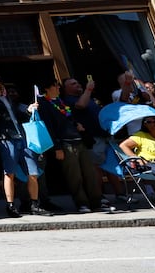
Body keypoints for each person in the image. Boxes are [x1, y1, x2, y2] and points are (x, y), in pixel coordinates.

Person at [35, 77, 104, 213]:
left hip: (78, 140)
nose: (58, 88)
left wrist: (77, 125)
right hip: (65, 143)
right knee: (74, 176)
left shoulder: (61, 101)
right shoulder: (43, 104)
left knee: (90, 173)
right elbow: (49, 127)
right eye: (55, 86)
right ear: (47, 89)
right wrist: (57, 148)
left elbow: (68, 117)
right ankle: (82, 203)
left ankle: (96, 202)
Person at [0, 78, 47, 217]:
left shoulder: (9, 99)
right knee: (9, 172)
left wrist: (29, 109)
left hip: (21, 137)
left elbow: (17, 113)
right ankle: (10, 205)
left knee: (33, 171)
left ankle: (35, 204)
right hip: (7, 138)